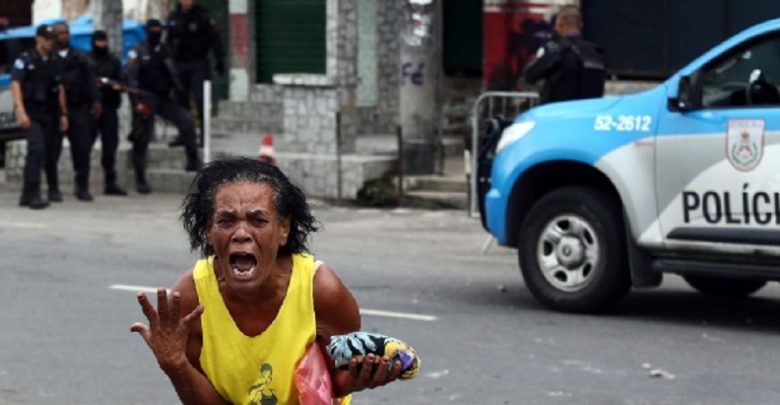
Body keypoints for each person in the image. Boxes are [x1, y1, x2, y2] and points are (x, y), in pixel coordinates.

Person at [130, 158, 401, 404]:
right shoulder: (192, 299)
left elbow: (331, 382)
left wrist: (356, 379)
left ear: (283, 229)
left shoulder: (322, 291)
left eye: (258, 220)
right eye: (226, 220)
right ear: (208, 230)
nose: (241, 233)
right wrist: (175, 364)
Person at [125, 19, 201, 194]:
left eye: (159, 29)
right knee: (141, 136)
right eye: (153, 29)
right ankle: (140, 177)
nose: (156, 32)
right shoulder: (138, 50)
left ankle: (192, 160)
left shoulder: (166, 49)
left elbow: (174, 74)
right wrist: (136, 102)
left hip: (164, 98)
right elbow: (130, 77)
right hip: (145, 97)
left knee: (186, 122)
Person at [11, 25, 68, 210]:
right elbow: (16, 84)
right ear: (38, 39)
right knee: (37, 149)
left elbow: (60, 88)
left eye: (52, 39)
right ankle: (34, 194)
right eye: (47, 38)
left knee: (48, 152)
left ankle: (27, 195)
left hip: (50, 113)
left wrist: (63, 114)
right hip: (31, 112)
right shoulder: (26, 59)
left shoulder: (55, 61)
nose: (50, 42)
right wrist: (20, 111)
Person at [166, 0, 225, 146]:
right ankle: (185, 135)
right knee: (181, 102)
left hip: (198, 63)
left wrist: (219, 61)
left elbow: (215, 39)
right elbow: (168, 41)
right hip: (179, 64)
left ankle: (205, 137)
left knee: (201, 101)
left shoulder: (203, 16)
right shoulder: (174, 16)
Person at [53, 22, 101, 202]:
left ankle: (82, 186)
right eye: (60, 33)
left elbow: (90, 79)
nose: (63, 36)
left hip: (78, 107)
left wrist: (96, 100)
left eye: (66, 32)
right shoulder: (50, 57)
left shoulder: (80, 56)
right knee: (52, 149)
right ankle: (53, 188)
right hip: (55, 110)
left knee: (82, 149)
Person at [523, 5, 606, 104]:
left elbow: (529, 75)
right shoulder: (596, 53)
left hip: (559, 111)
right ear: (581, 25)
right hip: (589, 111)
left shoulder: (556, 50)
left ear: (559, 23)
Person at [90, 30, 127, 196]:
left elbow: (122, 80)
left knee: (110, 146)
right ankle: (81, 182)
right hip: (91, 109)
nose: (101, 44)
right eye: (98, 40)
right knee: (84, 145)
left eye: (103, 40)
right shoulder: (87, 60)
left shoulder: (113, 60)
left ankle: (110, 183)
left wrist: (116, 85)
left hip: (110, 108)